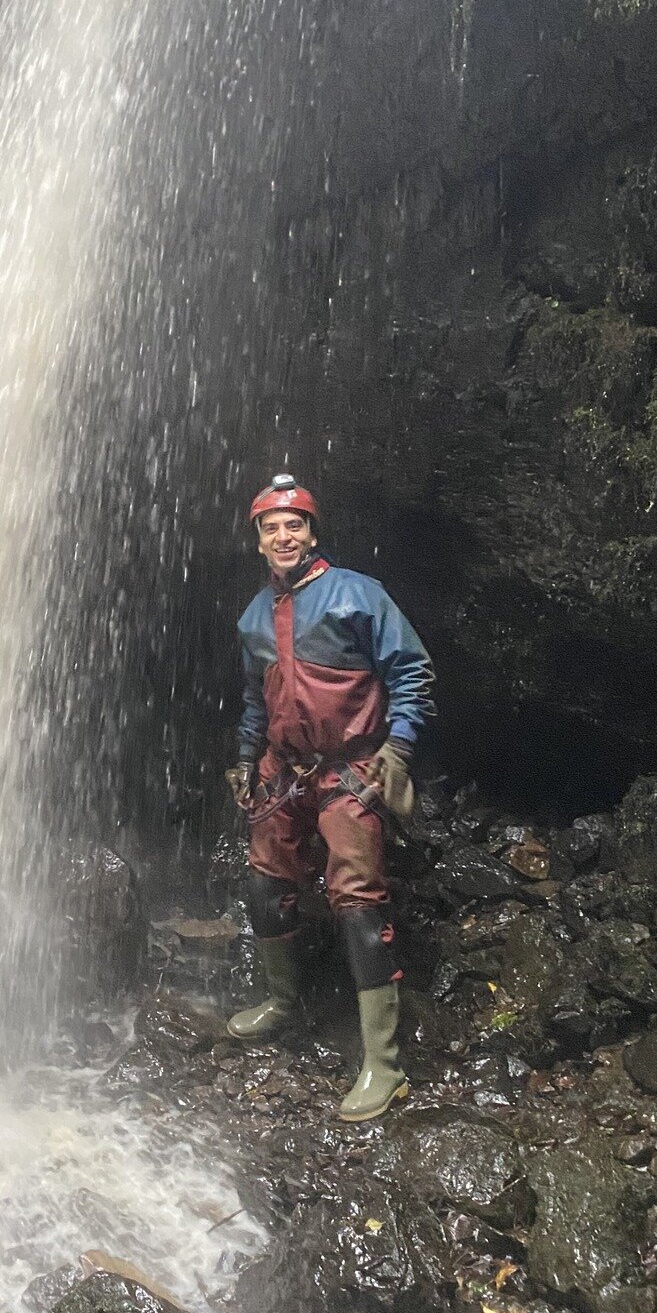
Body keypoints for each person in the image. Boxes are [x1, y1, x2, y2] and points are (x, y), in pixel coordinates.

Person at [224, 474, 435, 1122]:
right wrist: (243, 757)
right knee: (264, 886)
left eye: (294, 524)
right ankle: (282, 1002)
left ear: (311, 532)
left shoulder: (358, 596)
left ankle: (385, 1064)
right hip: (282, 769)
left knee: (358, 907)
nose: (283, 536)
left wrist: (396, 751)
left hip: (349, 767)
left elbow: (411, 671)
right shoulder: (254, 617)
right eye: (270, 527)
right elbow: (256, 699)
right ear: (258, 540)